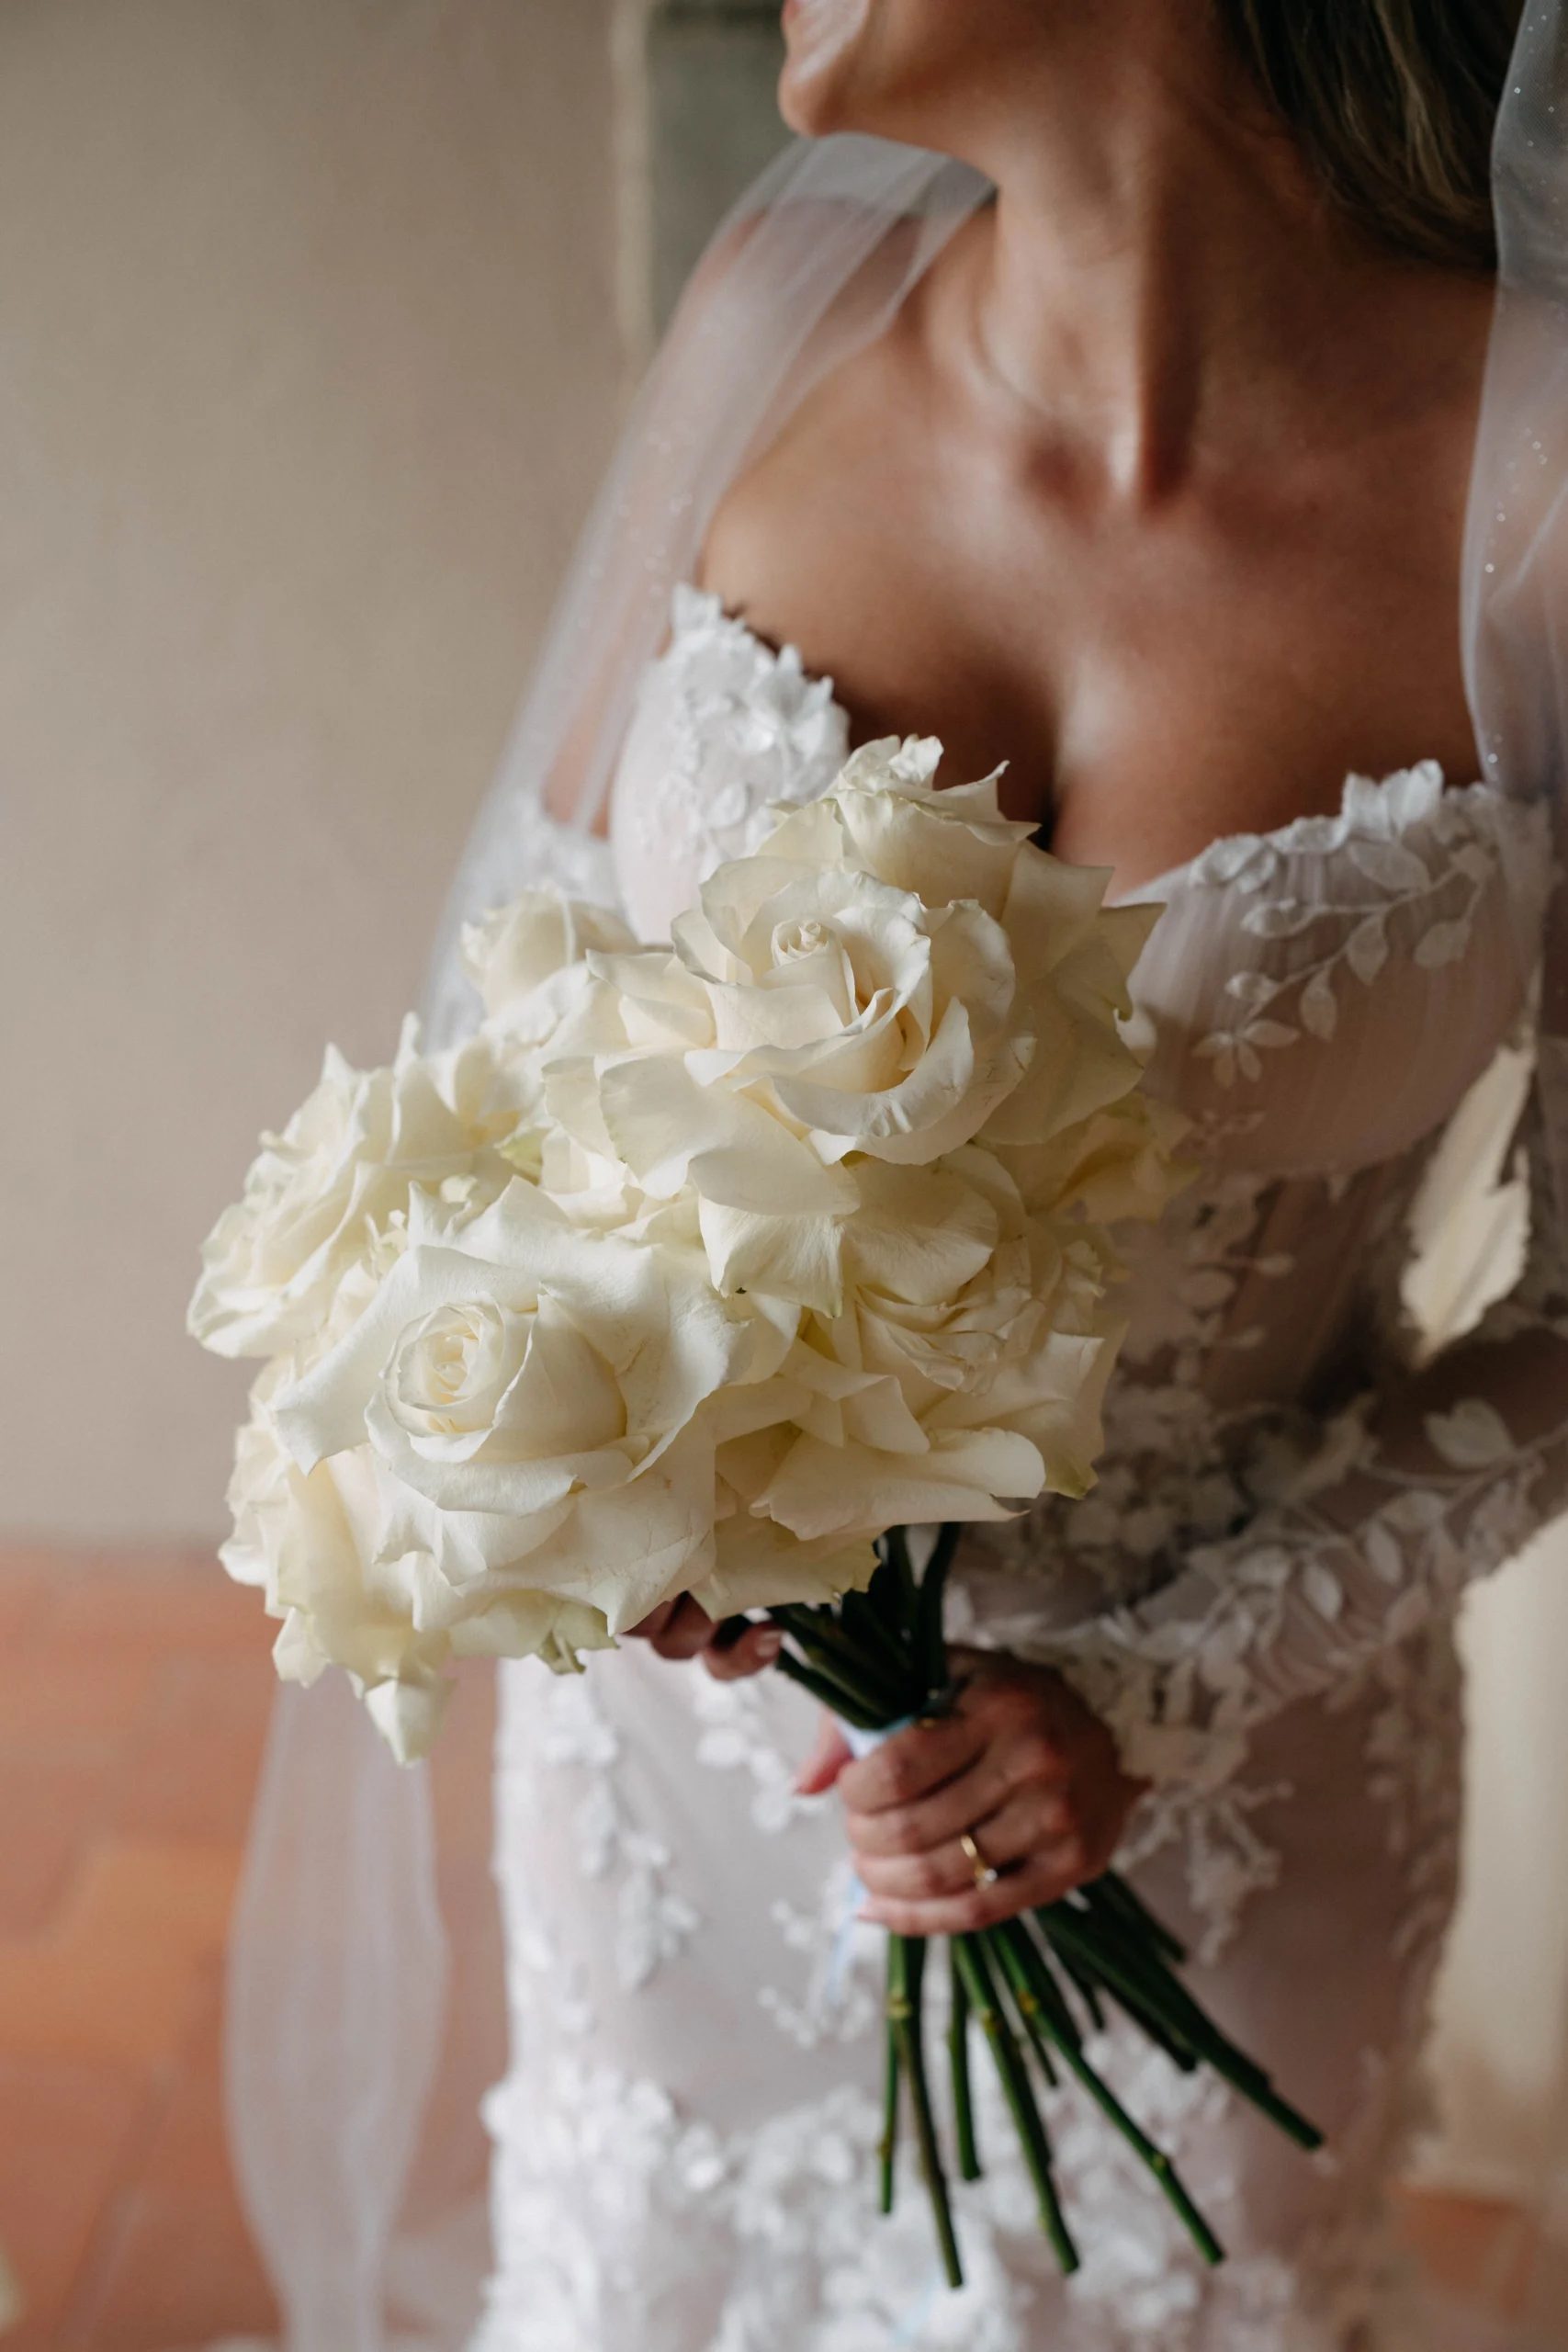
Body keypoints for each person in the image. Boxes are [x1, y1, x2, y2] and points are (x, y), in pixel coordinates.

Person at [231, 4, 1568, 2346]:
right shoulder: (777, 325)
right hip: (697, 1757)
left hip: (1227, 1796)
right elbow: (517, 1013)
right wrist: (581, 1483)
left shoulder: (1541, 484)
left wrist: (1153, 1696)